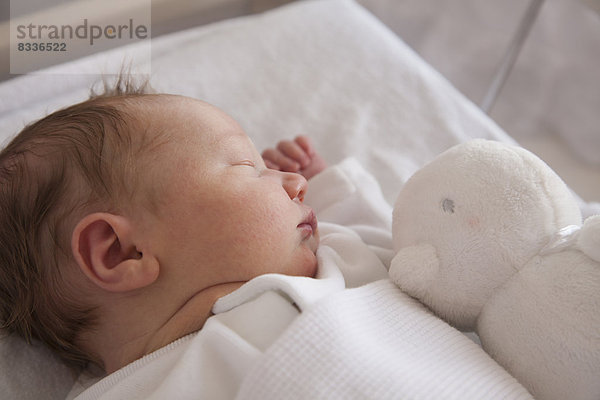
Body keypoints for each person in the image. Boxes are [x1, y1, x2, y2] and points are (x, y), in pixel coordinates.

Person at [0, 81, 529, 400]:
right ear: (122, 252)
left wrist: (332, 186)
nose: (293, 183)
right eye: (247, 167)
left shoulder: (338, 259)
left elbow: (418, 252)